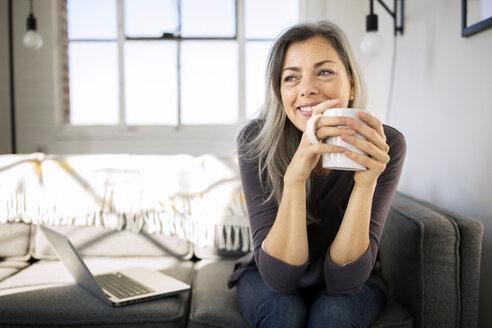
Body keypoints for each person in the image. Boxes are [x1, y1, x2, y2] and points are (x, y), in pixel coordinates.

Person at [227, 20, 406, 328]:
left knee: (333, 315)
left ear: (350, 83)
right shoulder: (255, 141)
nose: (306, 88)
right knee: (283, 312)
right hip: (267, 271)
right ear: (280, 92)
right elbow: (280, 279)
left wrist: (365, 184)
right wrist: (295, 178)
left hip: (352, 276)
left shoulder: (384, 145)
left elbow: (344, 283)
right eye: (291, 78)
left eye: (323, 71)